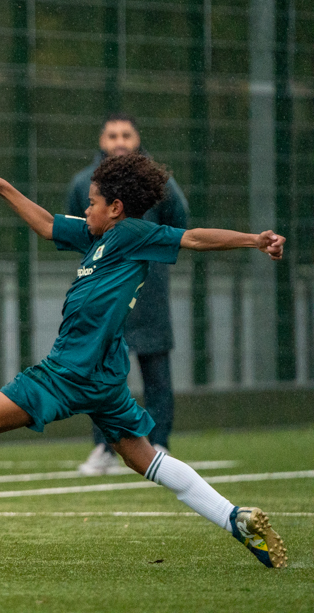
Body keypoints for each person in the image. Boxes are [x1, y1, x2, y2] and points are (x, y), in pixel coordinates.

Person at [0, 154, 287, 569]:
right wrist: (2, 186)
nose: (85, 208)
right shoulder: (100, 236)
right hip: (103, 376)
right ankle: (233, 518)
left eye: (92, 201)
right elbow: (46, 224)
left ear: (117, 208)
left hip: (68, 372)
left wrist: (254, 240)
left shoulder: (130, 234)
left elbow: (194, 238)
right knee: (141, 455)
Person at [68, 113, 188, 475]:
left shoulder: (159, 183)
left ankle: (159, 444)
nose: (119, 141)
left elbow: (179, 220)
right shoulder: (82, 183)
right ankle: (104, 447)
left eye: (126, 134)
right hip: (105, 294)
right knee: (101, 372)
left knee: (156, 373)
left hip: (149, 291)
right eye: (112, 135)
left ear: (137, 139)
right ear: (101, 141)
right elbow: (77, 226)